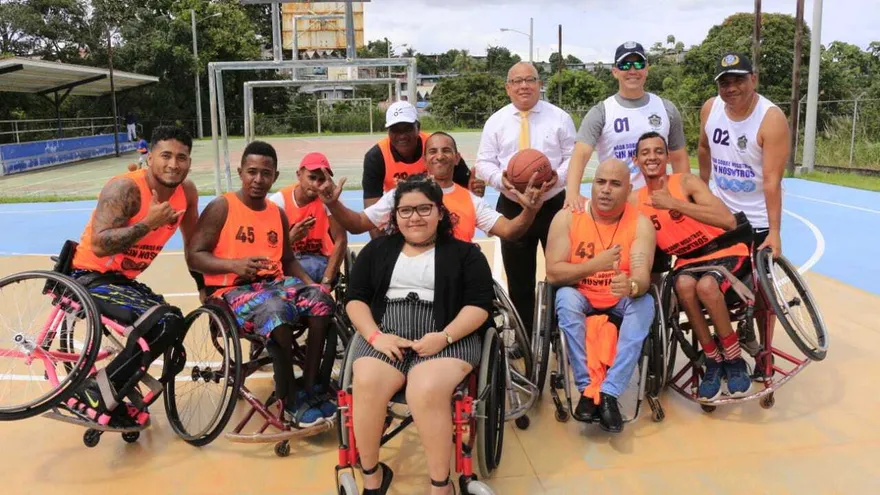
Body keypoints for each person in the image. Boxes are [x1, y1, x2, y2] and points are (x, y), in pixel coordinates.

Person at [344, 177, 495, 495]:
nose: (414, 217)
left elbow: (479, 306)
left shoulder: (467, 254)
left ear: (440, 212)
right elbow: (355, 299)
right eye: (406, 210)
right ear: (395, 216)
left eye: (424, 209)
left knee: (425, 389)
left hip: (447, 335)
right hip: (387, 335)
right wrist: (375, 337)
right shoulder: (377, 250)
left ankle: (441, 486)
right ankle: (372, 477)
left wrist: (445, 336)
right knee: (367, 382)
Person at [186, 141, 337, 428]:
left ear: (275, 176)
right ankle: (289, 400)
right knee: (275, 310)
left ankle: (310, 386)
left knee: (323, 303)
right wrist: (233, 265)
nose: (258, 179)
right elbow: (195, 256)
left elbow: (288, 259)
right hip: (231, 291)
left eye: (265, 173)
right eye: (252, 172)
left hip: (274, 285)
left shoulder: (275, 213)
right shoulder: (222, 206)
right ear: (241, 172)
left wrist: (312, 285)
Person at [63, 126, 200, 428]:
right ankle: (94, 391)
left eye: (181, 157)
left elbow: (193, 244)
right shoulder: (125, 188)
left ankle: (114, 390)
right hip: (88, 275)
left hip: (121, 280)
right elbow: (99, 245)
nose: (173, 164)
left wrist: (205, 286)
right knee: (164, 323)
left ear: (189, 162)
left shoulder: (186, 193)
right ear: (149, 157)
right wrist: (148, 223)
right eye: (165, 156)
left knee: (174, 323)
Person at [633, 131, 753, 400]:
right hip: (688, 262)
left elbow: (727, 220)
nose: (652, 157)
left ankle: (733, 360)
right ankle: (712, 360)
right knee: (684, 286)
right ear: (636, 160)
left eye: (658, 151)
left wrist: (675, 204)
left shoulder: (685, 182)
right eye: (645, 152)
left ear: (666, 157)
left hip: (724, 249)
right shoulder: (634, 200)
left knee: (708, 286)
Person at [545, 158, 655, 432]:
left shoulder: (640, 224)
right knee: (565, 298)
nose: (605, 190)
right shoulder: (568, 217)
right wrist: (596, 265)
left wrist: (631, 286)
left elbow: (641, 276)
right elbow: (554, 274)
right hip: (581, 293)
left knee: (646, 303)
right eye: (600, 182)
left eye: (615, 184)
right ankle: (587, 388)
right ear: (592, 185)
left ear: (628, 189)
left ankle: (610, 391)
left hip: (619, 298)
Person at [475, 61, 576, 338]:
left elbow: (573, 157)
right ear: (508, 88)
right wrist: (500, 180)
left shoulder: (560, 118)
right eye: (517, 81)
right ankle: (525, 335)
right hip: (512, 205)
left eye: (529, 80)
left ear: (539, 85)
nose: (524, 86)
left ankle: (558, 333)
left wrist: (558, 177)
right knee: (519, 279)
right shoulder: (496, 121)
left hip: (553, 204)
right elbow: (483, 162)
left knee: (561, 274)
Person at [317, 132, 547, 243]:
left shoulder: (470, 200)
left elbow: (509, 231)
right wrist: (332, 203)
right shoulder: (403, 193)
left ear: (457, 158)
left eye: (446, 151)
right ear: (425, 160)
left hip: (457, 277)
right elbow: (357, 225)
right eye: (433, 151)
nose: (440, 156)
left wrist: (530, 210)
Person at [565, 41, 690, 211]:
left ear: (646, 69)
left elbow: (679, 157)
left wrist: (682, 196)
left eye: (638, 64)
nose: (632, 70)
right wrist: (572, 193)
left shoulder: (666, 108)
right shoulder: (601, 112)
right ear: (615, 72)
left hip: (658, 202)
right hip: (618, 205)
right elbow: (580, 155)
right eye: (625, 65)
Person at [698, 52, 790, 259]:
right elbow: (704, 147)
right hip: (720, 213)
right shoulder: (710, 108)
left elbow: (772, 180)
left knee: (755, 286)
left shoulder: (771, 118)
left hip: (756, 220)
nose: (731, 88)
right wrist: (702, 188)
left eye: (739, 80)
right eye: (724, 83)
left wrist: (774, 232)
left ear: (753, 79)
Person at [362, 102, 479, 230]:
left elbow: (466, 189)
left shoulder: (436, 146)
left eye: (407, 128)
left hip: (439, 215)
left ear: (418, 127)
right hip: (402, 219)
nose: (402, 135)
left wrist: (474, 192)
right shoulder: (376, 157)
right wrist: (383, 248)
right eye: (395, 129)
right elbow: (372, 218)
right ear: (388, 131)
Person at [269, 152, 347, 289]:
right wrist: (290, 239)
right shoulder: (279, 201)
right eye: (311, 177)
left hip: (319, 261)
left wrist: (326, 282)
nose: (316, 184)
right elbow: (267, 248)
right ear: (299, 175)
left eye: (321, 179)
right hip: (287, 260)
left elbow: (341, 240)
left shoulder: (330, 200)